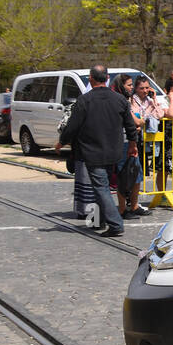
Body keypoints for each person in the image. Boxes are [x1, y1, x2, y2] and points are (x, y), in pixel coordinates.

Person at [58, 64, 137, 238]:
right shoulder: (119, 100)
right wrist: (133, 144)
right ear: (107, 78)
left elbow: (72, 126)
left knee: (101, 188)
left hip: (93, 152)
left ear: (91, 79)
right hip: (114, 151)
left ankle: (115, 224)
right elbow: (130, 126)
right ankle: (98, 220)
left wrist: (62, 141)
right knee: (102, 186)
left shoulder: (84, 100)